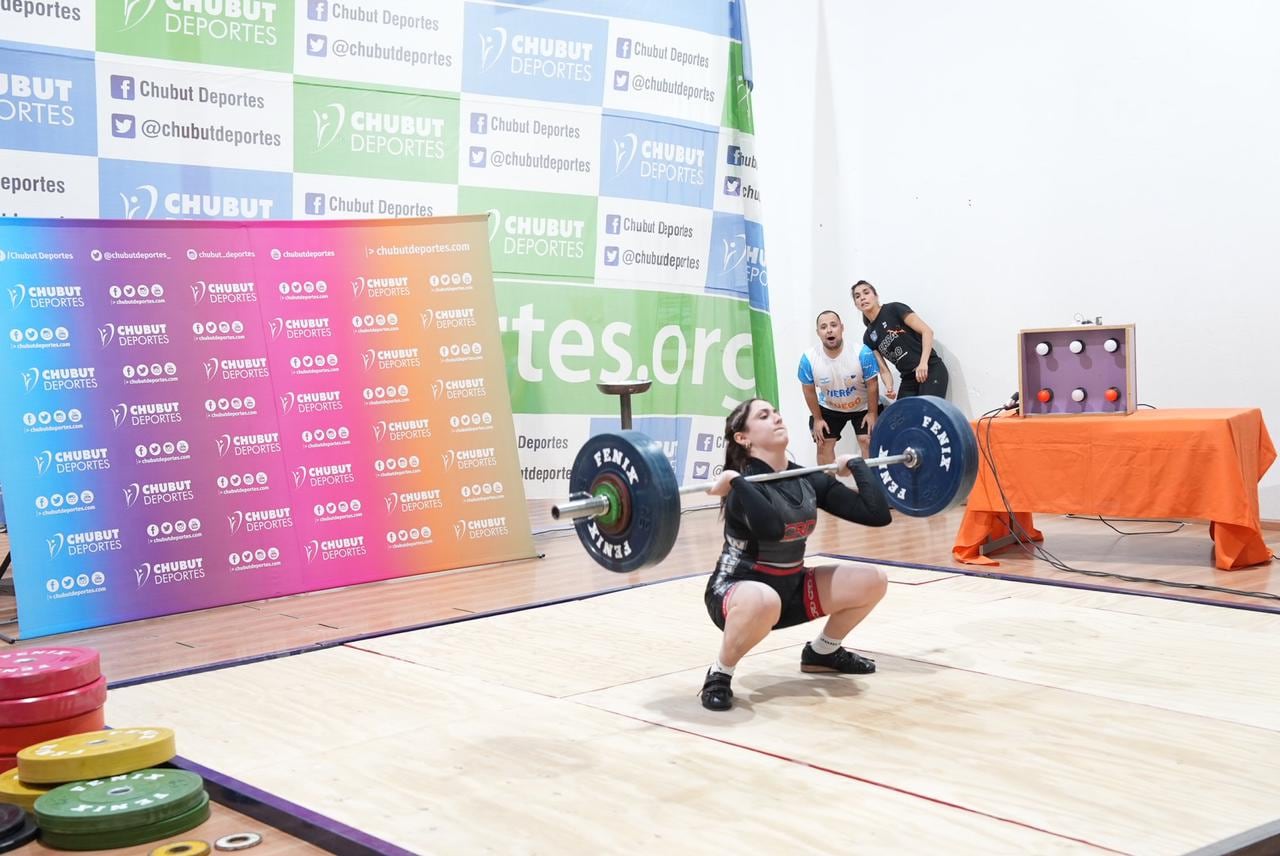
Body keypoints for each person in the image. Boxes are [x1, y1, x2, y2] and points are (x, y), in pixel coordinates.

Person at [699, 398, 892, 712]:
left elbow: (876, 515)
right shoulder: (740, 490)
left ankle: (823, 652)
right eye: (764, 416)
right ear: (743, 438)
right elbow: (771, 527)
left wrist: (857, 466)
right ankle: (720, 672)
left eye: (776, 412)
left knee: (873, 580)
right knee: (763, 600)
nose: (776, 418)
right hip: (737, 594)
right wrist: (736, 480)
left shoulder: (805, 477)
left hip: (790, 590)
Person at [798, 310, 880, 462]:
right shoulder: (808, 359)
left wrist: (872, 414)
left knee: (867, 440)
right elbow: (808, 390)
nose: (829, 330)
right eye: (823, 327)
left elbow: (872, 384)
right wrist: (817, 419)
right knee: (823, 444)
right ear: (818, 333)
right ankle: (827, 485)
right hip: (829, 407)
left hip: (862, 406)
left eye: (833, 325)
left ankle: (871, 485)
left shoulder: (862, 353)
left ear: (842, 328)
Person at [852, 280, 949, 399]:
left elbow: (927, 332)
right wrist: (889, 387)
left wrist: (923, 363)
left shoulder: (894, 309)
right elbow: (884, 370)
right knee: (901, 416)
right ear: (856, 304)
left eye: (866, 293)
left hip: (929, 368)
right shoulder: (868, 337)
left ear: (876, 296)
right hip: (908, 379)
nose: (862, 298)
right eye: (857, 296)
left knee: (926, 414)